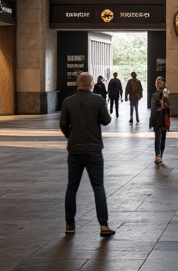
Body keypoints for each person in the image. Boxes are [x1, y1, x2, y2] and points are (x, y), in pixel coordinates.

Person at [59, 71, 115, 237]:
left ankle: (70, 224)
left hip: (75, 150)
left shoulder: (68, 101)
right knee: (98, 186)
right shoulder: (97, 100)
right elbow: (106, 120)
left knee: (72, 187)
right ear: (91, 84)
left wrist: (72, 136)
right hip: (93, 150)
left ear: (78, 84)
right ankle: (103, 225)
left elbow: (63, 124)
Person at [150, 75, 170, 163]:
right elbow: (154, 108)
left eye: (160, 82)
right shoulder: (158, 95)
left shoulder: (162, 94)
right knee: (160, 138)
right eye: (157, 82)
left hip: (161, 118)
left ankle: (159, 155)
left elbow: (154, 109)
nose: (158, 83)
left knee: (161, 138)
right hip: (160, 118)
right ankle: (159, 155)